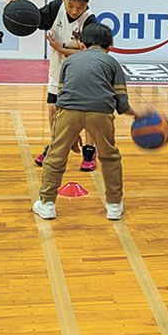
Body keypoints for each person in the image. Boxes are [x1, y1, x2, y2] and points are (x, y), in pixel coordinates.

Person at [32, 23, 149, 221]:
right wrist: (138, 114)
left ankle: (47, 204)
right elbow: (121, 105)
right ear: (110, 47)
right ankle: (114, 206)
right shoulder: (113, 63)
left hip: (68, 112)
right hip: (101, 113)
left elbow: (62, 97)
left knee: (55, 156)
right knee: (110, 157)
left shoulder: (70, 61)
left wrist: (72, 134)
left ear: (81, 45)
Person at [23, 0, 98, 171]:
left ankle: (89, 151)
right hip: (59, 70)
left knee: (87, 113)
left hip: (83, 72)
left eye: (80, 7)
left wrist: (60, 49)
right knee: (53, 109)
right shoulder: (55, 8)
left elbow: (90, 52)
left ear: (87, 3)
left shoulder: (89, 20)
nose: (74, 11)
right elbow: (31, 18)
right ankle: (58, 146)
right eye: (70, 5)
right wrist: (15, 5)